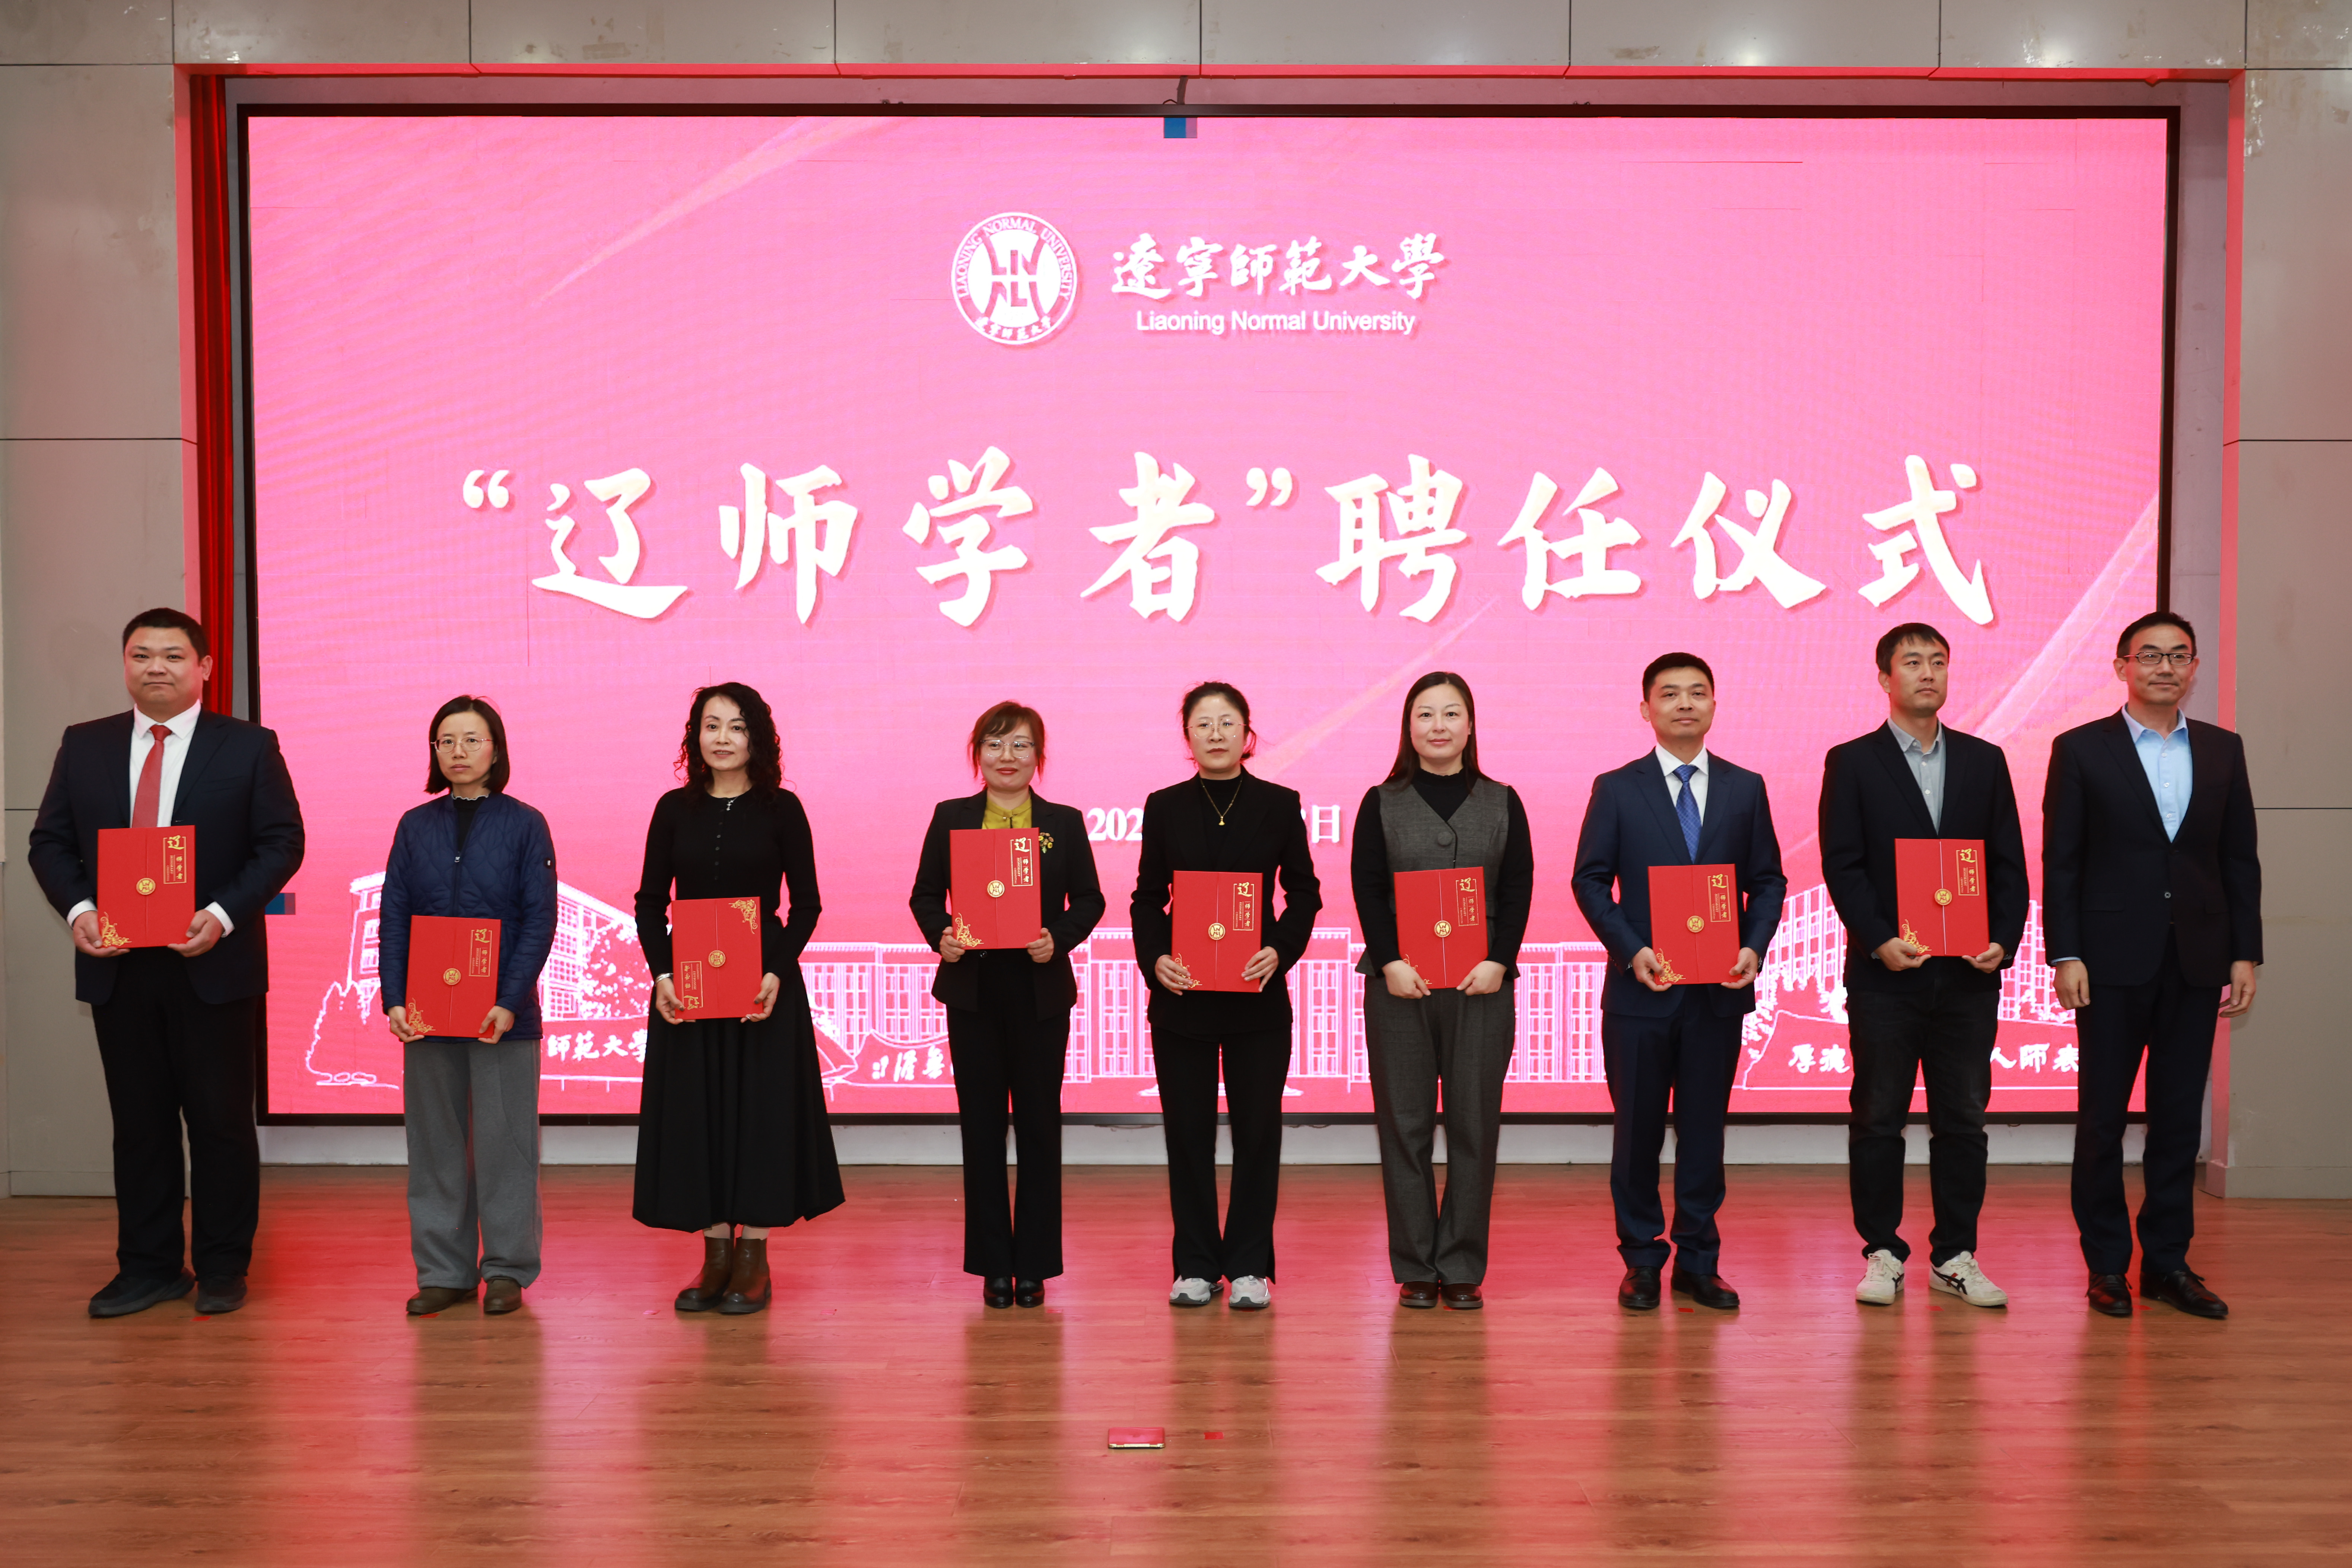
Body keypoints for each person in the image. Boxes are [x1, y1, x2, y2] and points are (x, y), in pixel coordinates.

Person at [27, 608, 304, 1318]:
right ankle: (149, 1268)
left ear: (204, 668)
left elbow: (281, 843)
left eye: (174, 655)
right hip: (119, 963)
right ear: (125, 664)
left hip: (212, 962)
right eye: (142, 654)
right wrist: (79, 912)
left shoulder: (248, 746)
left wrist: (220, 915)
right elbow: (49, 842)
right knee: (140, 1125)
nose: (157, 667)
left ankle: (222, 1266)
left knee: (220, 1122)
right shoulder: (85, 744)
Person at [2045, 611, 2260, 1321]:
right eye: (2150, 655)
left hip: (2196, 960)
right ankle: (2107, 1265)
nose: (2166, 667)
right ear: (2122, 667)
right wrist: (2066, 952)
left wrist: (2244, 951)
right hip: (2109, 961)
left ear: (2194, 668)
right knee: (2102, 1120)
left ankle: (2168, 1263)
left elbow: (2238, 859)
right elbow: (2063, 860)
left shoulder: (2223, 749)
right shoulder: (2081, 749)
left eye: (2179, 656)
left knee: (2176, 1122)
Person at [1818, 625, 2028, 1310]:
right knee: (1879, 1114)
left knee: (1963, 1117)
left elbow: (2008, 864)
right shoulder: (1853, 762)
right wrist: (1879, 939)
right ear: (1885, 678)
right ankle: (1882, 1252)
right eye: (1912, 662)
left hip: (1968, 974)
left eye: (1938, 661)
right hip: (1887, 974)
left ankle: (1955, 1255)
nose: (1928, 673)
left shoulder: (1984, 761)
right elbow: (1843, 864)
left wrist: (2002, 940)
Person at [1571, 652, 1785, 1313]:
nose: (1685, 704)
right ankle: (1641, 1260)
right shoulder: (1617, 787)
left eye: (1697, 693)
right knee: (1636, 1131)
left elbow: (1768, 881)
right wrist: (1631, 949)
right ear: (1647, 710)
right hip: (1642, 992)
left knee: (1704, 1132)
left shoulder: (1746, 788)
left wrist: (1753, 946)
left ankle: (1698, 1261)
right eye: (1670, 694)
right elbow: (1590, 880)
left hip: (1718, 992)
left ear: (1715, 705)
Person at [632, 682, 843, 1315]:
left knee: (760, 1116)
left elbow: (806, 905)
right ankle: (715, 1255)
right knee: (699, 1114)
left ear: (758, 738)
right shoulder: (673, 809)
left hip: (762, 987)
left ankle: (753, 1258)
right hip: (689, 987)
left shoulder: (783, 809)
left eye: (736, 727)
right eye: (711, 726)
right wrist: (663, 975)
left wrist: (777, 971)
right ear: (694, 736)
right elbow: (650, 902)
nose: (722, 738)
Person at [1132, 681, 1322, 1312]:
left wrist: (1281, 949)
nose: (1216, 734)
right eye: (1203, 724)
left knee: (1257, 1134)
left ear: (1248, 734)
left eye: (1227, 723)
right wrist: (1155, 960)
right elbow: (1147, 898)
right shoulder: (1164, 806)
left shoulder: (1278, 804)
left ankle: (1248, 1266)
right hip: (1183, 996)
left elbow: (1305, 893)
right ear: (1187, 737)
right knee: (1187, 1135)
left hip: (1255, 995)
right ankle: (1194, 1264)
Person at [909, 701, 1105, 1309]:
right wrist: (941, 935)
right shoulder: (951, 818)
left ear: (1038, 756)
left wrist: (1058, 938)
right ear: (978, 754)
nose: (1007, 757)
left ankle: (1036, 1264)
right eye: (995, 745)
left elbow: (1091, 900)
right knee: (982, 1127)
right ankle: (994, 1264)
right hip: (974, 991)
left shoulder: (1063, 823)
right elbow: (924, 896)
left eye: (1021, 745)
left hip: (1040, 991)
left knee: (1041, 1127)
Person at [1350, 672, 1533, 1311]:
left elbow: (1518, 887)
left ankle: (1461, 1264)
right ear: (1408, 727)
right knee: (1404, 1126)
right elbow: (1368, 886)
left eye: (1451, 713)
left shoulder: (1503, 801)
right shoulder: (1381, 801)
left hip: (1482, 987)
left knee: (1474, 1125)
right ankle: (1415, 1266)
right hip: (1401, 987)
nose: (1438, 726)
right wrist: (1390, 962)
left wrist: (1500, 960)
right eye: (1425, 714)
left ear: (1470, 725)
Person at [378, 697, 558, 1318]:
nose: (458, 751)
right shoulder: (415, 825)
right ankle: (444, 1272)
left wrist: (510, 1001)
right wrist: (395, 997)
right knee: (436, 1144)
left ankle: (506, 1268)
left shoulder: (525, 823)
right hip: (428, 1013)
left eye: (471, 740)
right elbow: (394, 916)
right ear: (434, 752)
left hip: (503, 1018)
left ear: (496, 749)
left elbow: (539, 919)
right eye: (446, 741)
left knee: (507, 1145)